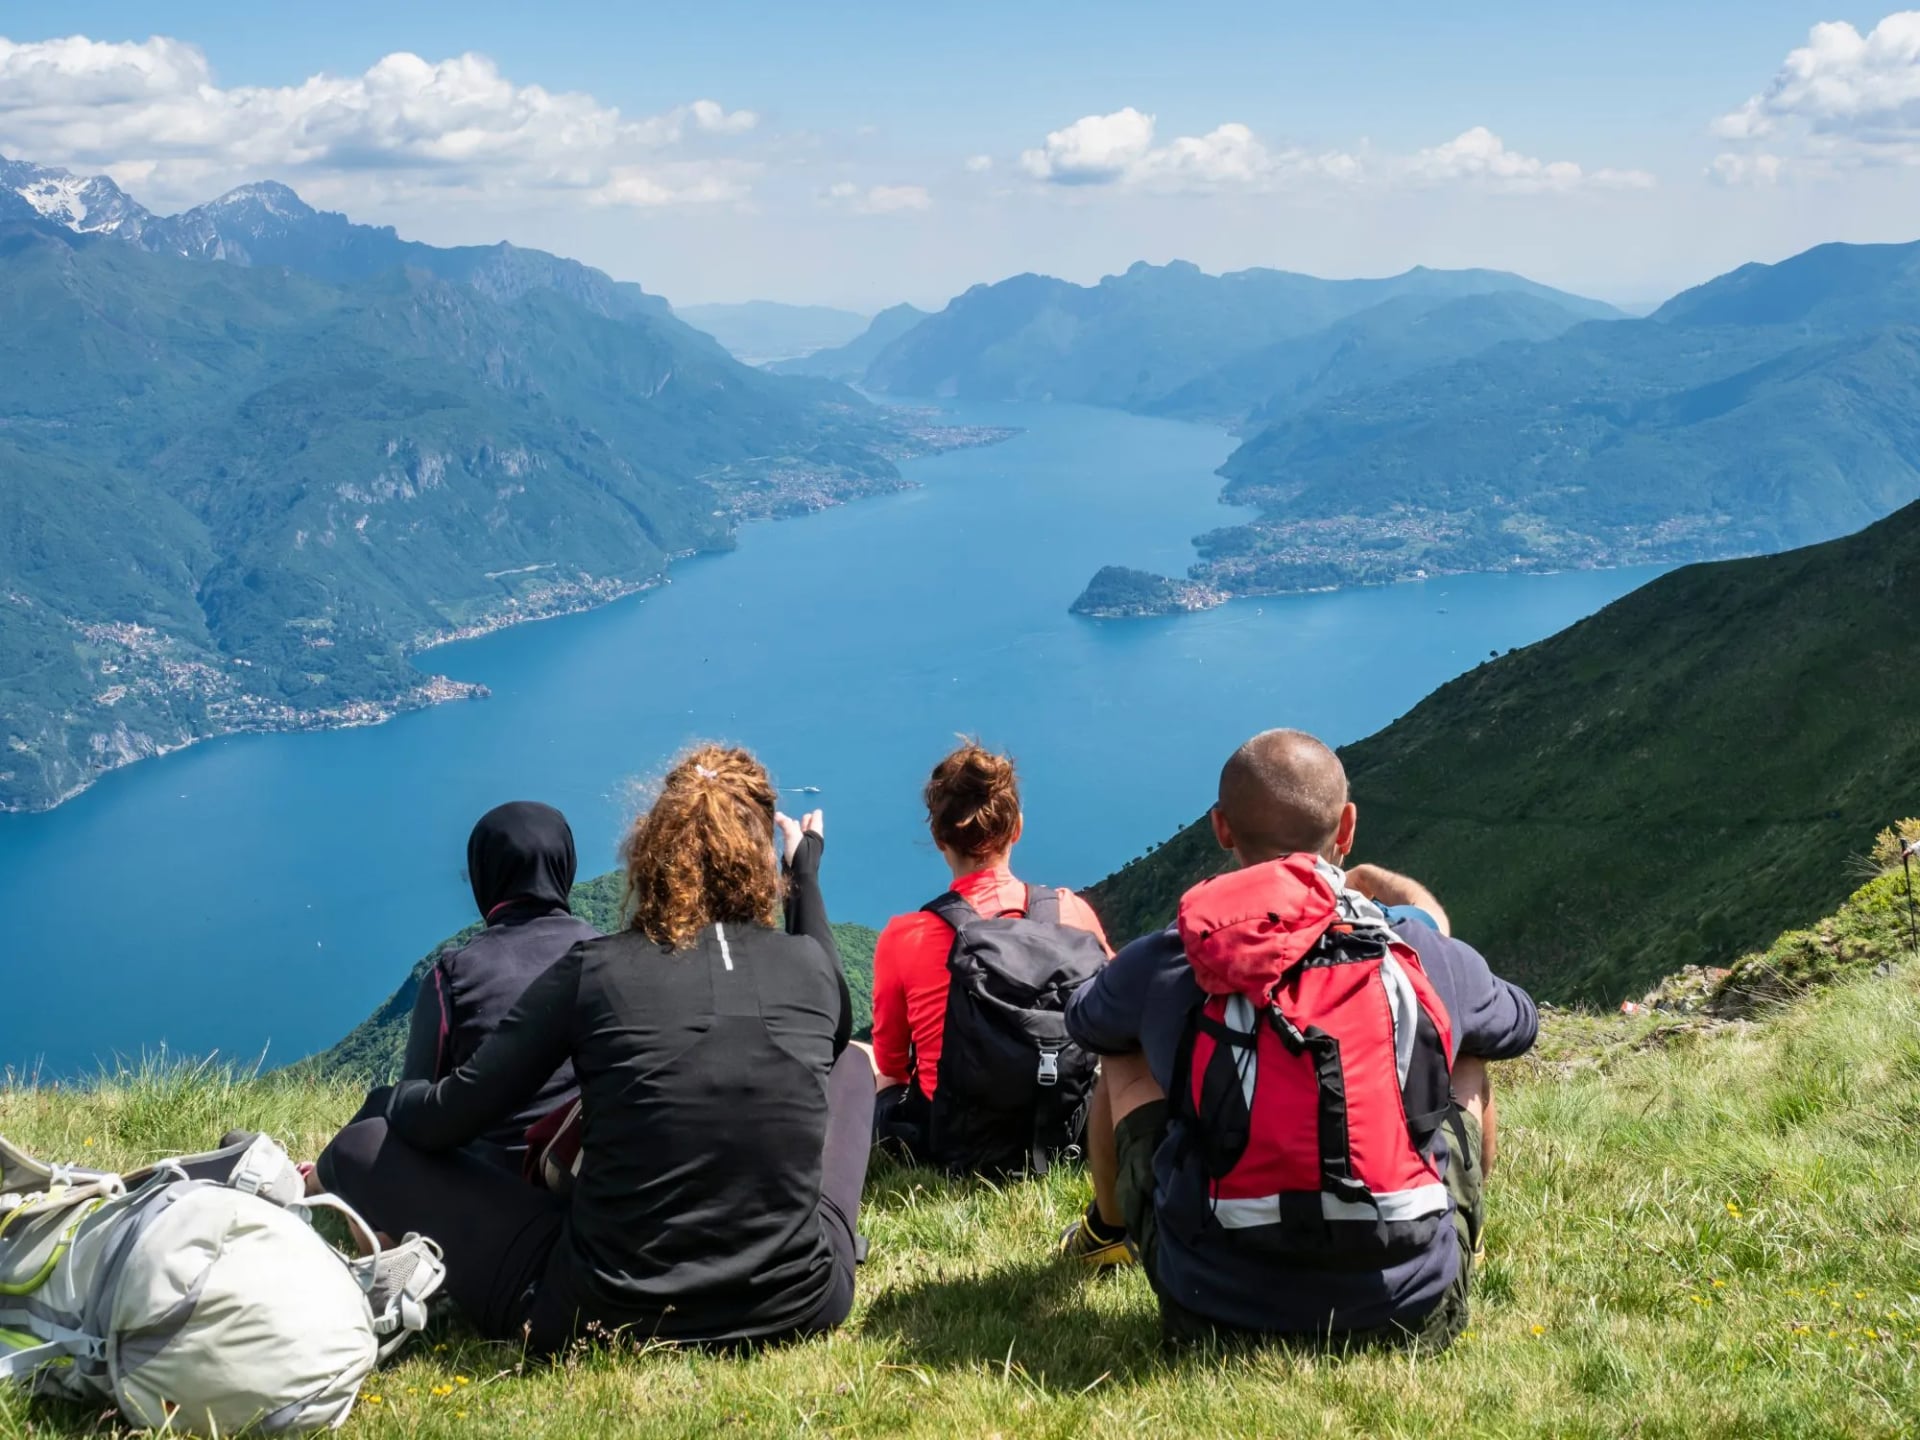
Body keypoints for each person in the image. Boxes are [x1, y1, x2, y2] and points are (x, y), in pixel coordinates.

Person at [316, 745, 874, 1354]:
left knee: (361, 1145)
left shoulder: (597, 971)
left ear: (652, 851)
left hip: (599, 1312)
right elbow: (833, 1001)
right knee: (850, 1062)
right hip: (799, 1299)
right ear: (762, 863)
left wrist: (395, 1100)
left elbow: (449, 1116)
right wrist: (805, 875)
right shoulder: (809, 969)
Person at [1057, 728, 1537, 1353]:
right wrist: (1405, 908)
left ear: (1222, 829)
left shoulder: (1171, 959)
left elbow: (1087, 1022)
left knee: (1121, 1053)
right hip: (1413, 1309)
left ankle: (1108, 1233)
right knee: (1469, 1045)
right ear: (1347, 828)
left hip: (1210, 1308)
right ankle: (1457, 1238)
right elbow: (1518, 1023)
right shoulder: (1412, 952)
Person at [870, 741, 1112, 1170]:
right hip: (1064, 1131)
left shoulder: (904, 936)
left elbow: (892, 1063)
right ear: (1016, 828)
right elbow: (1117, 1017)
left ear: (938, 838)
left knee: (865, 1059)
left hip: (951, 1147)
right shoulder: (1070, 912)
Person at [397, 801, 597, 1172]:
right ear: (565, 864)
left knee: (376, 1124)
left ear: (483, 872)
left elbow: (416, 1107)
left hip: (493, 1189)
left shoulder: (453, 975)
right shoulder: (608, 956)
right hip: (588, 1182)